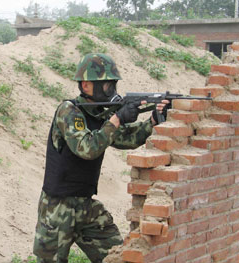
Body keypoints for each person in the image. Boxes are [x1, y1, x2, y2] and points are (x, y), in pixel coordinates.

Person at [32, 53, 169, 263]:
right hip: (57, 207)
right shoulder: (68, 111)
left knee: (118, 256)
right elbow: (87, 148)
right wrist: (117, 118)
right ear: (86, 85)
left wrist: (153, 120)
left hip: (86, 206)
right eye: (106, 85)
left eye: (112, 85)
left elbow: (126, 138)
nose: (110, 91)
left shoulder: (101, 115)